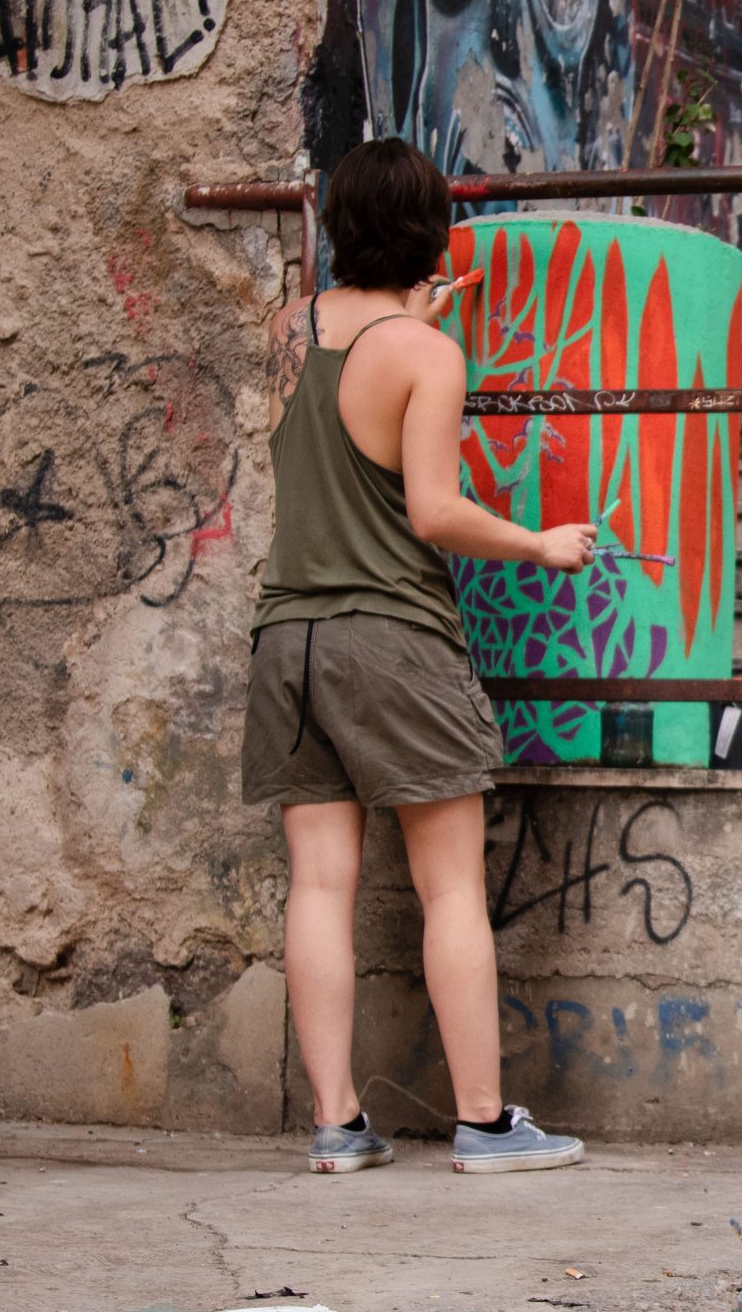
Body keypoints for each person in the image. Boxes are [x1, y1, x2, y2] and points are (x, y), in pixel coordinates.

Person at [247, 137, 596, 1176]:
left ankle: (335, 1124)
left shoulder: (286, 330)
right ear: (431, 232)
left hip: (286, 638)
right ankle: (484, 1123)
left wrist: (411, 330)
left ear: (340, 227)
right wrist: (541, 542)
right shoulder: (427, 356)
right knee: (449, 887)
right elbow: (434, 512)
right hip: (389, 635)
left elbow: (332, 418)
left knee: (319, 883)